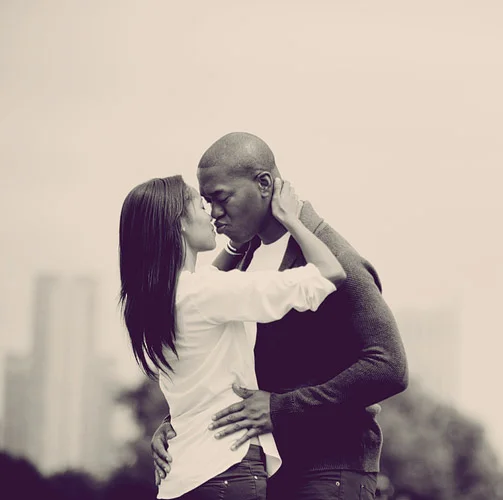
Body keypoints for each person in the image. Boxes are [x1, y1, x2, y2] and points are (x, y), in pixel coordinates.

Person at [151, 132, 409, 499]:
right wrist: (178, 422)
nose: (214, 213)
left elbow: (389, 366)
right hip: (264, 470)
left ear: (264, 184)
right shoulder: (242, 259)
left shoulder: (333, 258)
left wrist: (281, 408)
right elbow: (228, 361)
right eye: (206, 202)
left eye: (222, 198)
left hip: (330, 472)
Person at [119, 174, 347, 499]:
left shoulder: (156, 301)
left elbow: (212, 279)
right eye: (201, 206)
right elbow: (329, 274)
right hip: (226, 468)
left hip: (181, 476)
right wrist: (290, 218)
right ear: (179, 223)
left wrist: (236, 243)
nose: (212, 214)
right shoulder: (204, 293)